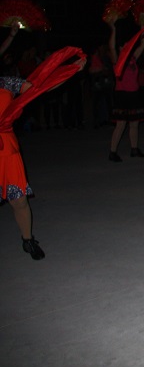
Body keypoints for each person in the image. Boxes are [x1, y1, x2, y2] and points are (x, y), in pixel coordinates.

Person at [1, 47, 86, 259]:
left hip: (6, 150)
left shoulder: (6, 83)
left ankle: (27, 240)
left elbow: (41, 88)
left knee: (19, 200)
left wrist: (70, 71)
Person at [107, 20, 144, 161]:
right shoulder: (117, 60)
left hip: (134, 94)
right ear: (120, 48)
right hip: (122, 94)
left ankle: (134, 149)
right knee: (121, 124)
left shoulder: (133, 58)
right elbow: (111, 47)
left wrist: (143, 29)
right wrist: (113, 29)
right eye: (125, 45)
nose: (127, 46)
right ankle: (112, 152)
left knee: (134, 124)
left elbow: (142, 44)